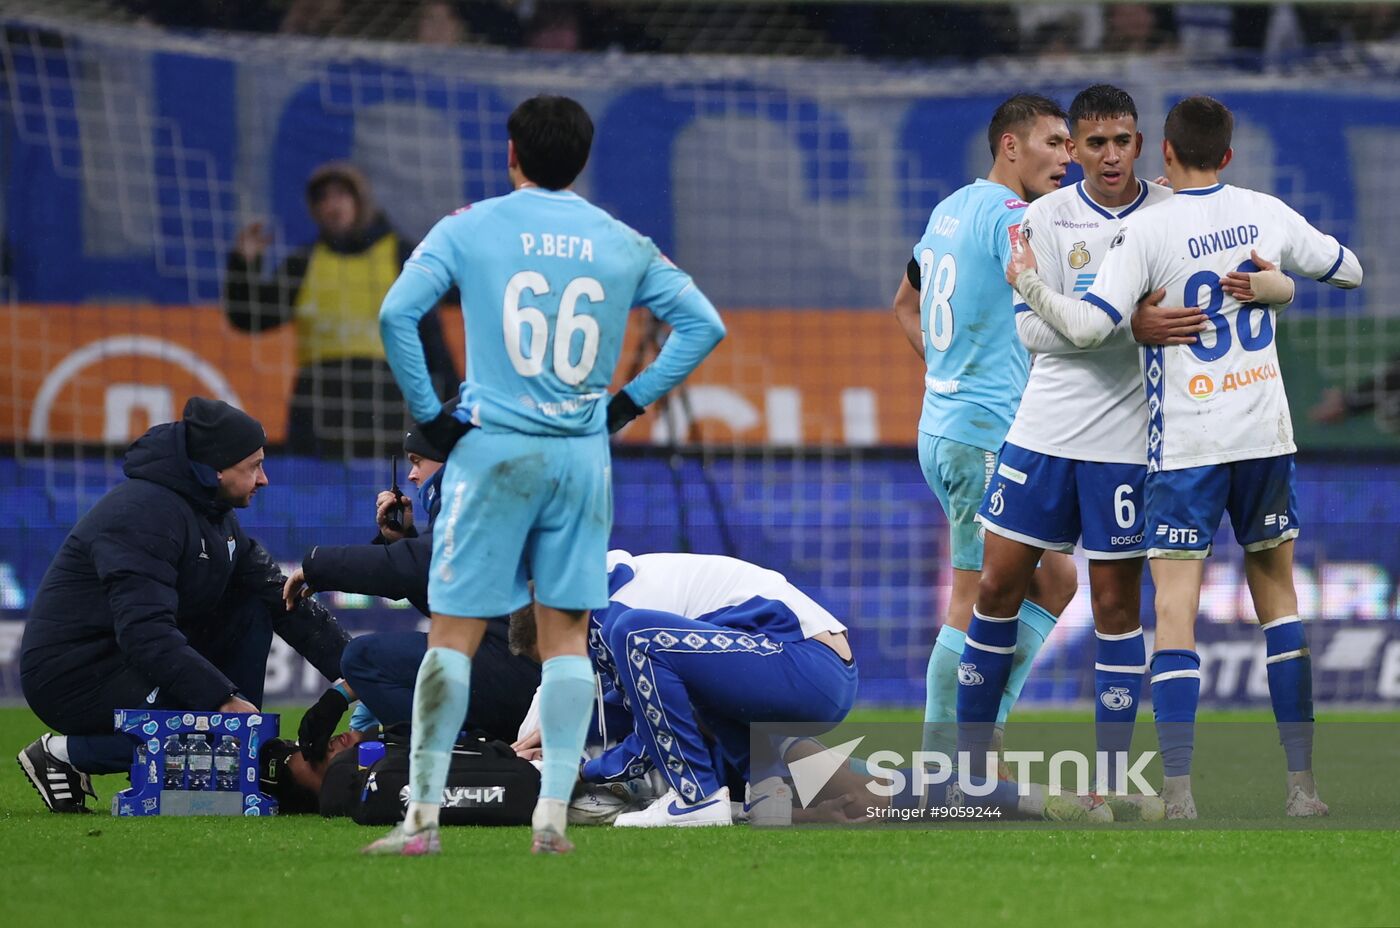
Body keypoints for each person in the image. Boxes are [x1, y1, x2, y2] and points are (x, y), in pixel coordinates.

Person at [366, 94, 726, 856]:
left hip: (494, 451)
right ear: (581, 160)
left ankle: (421, 822)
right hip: (578, 459)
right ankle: (553, 820)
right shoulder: (620, 239)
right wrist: (624, 404)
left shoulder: (470, 226)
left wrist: (433, 415)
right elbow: (704, 324)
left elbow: (399, 314)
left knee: (453, 637)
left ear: (511, 153)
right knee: (567, 640)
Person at [1006, 95, 1362, 818]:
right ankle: (1303, 789)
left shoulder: (1145, 230)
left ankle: (1178, 794)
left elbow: (1082, 328)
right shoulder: (1266, 213)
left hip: (1187, 450)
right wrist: (1280, 285)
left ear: (1162, 153)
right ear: (1228, 156)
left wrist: (1027, 283)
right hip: (1265, 437)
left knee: (1173, 615)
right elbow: (1350, 271)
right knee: (1281, 609)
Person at [964, 85, 1179, 802]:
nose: (1109, 155)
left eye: (1122, 141)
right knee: (996, 586)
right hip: (1043, 432)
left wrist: (1086, 319)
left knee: (1117, 607)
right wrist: (1125, 324)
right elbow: (1029, 330)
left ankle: (1109, 780)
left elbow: (1181, 317)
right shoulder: (1045, 216)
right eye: (1093, 143)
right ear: (1074, 148)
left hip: (1125, 441)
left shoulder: (1169, 216)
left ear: (1139, 145)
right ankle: (970, 765)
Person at [17, 398, 350, 813]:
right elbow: (144, 632)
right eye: (254, 466)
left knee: (255, 603)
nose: (263, 479)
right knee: (198, 734)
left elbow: (282, 598)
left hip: (128, 657)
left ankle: (235, 757)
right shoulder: (142, 515)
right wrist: (222, 701)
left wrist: (361, 676)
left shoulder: (214, 514)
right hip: (73, 672)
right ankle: (62, 754)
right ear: (216, 469)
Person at [890, 93, 1079, 763]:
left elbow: (904, 303)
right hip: (978, 438)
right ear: (1011, 146)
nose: (1068, 157)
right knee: (972, 596)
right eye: (1054, 143)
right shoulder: (1011, 218)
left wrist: (947, 369)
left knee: (1055, 582)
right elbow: (1061, 291)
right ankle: (948, 758)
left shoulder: (949, 209)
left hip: (954, 428)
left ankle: (982, 731)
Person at [508, 550, 856, 828]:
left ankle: (696, 798)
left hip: (805, 663)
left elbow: (650, 731)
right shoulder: (604, 597)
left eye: (560, 658)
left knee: (635, 634)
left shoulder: (616, 615)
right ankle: (772, 798)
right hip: (808, 671)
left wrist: (583, 770)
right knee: (872, 795)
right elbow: (638, 710)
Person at [282, 409, 541, 758]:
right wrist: (401, 538)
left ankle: (467, 761)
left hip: (520, 672)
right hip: (522, 671)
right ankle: (478, 753)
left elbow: (416, 565)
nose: (412, 475)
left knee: (363, 658)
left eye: (419, 461)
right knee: (378, 673)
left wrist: (316, 566)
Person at [223, 161, 458, 458]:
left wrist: (451, 405)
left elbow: (431, 337)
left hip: (386, 400)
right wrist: (244, 264)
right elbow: (249, 317)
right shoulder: (303, 262)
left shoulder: (400, 254)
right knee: (317, 496)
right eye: (322, 198)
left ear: (359, 201)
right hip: (319, 405)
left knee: (389, 492)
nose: (332, 205)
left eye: (341, 195)